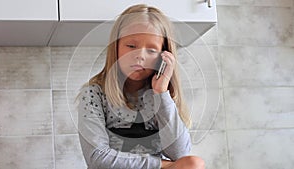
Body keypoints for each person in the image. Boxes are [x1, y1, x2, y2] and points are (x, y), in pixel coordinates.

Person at [77, 4, 205, 169]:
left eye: (151, 50)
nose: (139, 56)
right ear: (115, 47)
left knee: (194, 164)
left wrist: (161, 93)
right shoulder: (93, 94)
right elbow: (97, 158)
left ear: (163, 55)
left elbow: (180, 154)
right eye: (131, 46)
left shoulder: (161, 95)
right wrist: (162, 165)